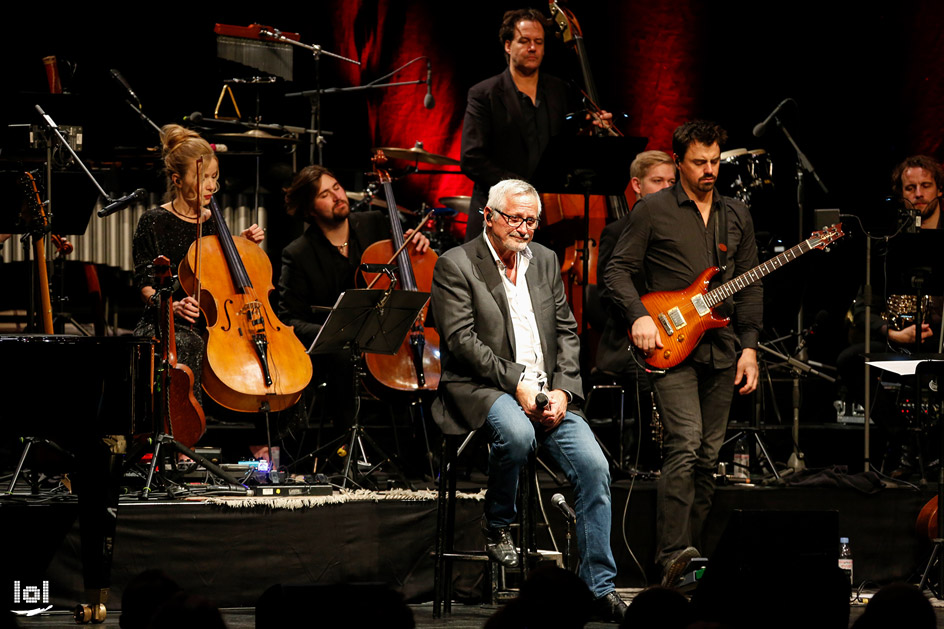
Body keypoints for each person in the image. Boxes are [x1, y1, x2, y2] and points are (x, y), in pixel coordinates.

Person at [431, 179, 626, 622]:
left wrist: (563, 390)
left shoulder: (545, 260)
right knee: (517, 434)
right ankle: (497, 522)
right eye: (515, 218)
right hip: (484, 387)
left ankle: (599, 586)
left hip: (545, 389)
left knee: (595, 466)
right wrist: (517, 382)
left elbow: (566, 331)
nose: (524, 228)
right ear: (489, 216)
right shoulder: (455, 264)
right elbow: (461, 342)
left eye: (532, 220)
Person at [604, 121, 762, 586]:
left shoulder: (736, 214)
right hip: (671, 345)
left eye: (715, 161)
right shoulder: (652, 209)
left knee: (709, 455)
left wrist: (750, 348)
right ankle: (673, 556)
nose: (710, 169)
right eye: (700, 162)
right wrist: (639, 316)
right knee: (686, 443)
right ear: (678, 161)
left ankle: (692, 565)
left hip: (721, 346)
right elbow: (617, 271)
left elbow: (749, 285)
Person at [278, 165, 430, 426]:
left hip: (386, 334)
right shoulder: (298, 254)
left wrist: (417, 245)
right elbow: (290, 318)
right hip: (338, 348)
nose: (337, 196)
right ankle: (345, 447)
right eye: (324, 194)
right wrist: (338, 332)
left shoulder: (375, 224)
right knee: (342, 359)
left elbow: (404, 268)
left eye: (336, 187)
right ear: (309, 209)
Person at [132, 124, 264, 403]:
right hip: (166, 322)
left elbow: (223, 274)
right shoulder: (153, 221)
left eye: (214, 177)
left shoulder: (213, 220)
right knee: (191, 343)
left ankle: (262, 439)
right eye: (203, 177)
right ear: (177, 180)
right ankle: (185, 436)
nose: (211, 186)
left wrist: (244, 245)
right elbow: (144, 286)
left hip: (212, 318)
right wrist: (172, 305)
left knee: (262, 344)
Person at [460, 8, 610, 241]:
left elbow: (567, 147)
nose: (533, 48)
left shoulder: (560, 90)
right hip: (501, 215)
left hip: (550, 219)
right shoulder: (483, 94)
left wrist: (590, 129)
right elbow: (472, 159)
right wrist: (521, 191)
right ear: (508, 46)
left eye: (538, 42)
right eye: (524, 41)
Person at [596, 150, 677, 376]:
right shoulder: (616, 232)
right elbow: (607, 294)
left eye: (671, 181)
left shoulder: (682, 229)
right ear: (637, 185)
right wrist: (643, 317)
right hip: (630, 339)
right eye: (657, 181)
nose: (666, 188)